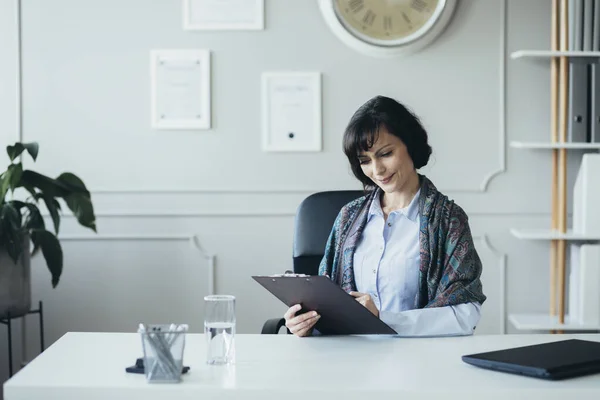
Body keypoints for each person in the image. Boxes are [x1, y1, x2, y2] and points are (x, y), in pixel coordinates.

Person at [284, 95, 486, 337]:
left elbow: (466, 315)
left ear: (411, 145)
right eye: (364, 160)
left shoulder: (448, 221)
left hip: (421, 361)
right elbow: (326, 304)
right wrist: (305, 322)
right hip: (348, 358)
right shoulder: (348, 217)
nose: (377, 170)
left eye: (385, 153)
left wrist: (384, 320)